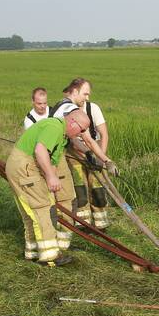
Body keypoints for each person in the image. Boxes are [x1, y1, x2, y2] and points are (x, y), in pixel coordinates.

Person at [6, 109, 92, 267]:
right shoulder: (55, 127)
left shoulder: (62, 135)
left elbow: (52, 161)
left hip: (25, 166)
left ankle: (32, 252)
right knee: (42, 208)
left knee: (33, 210)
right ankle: (49, 255)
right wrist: (51, 177)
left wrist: (51, 179)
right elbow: (40, 151)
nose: (82, 134)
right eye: (82, 129)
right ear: (72, 122)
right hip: (25, 168)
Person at [51, 77, 117, 228]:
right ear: (75, 92)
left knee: (98, 190)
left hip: (92, 154)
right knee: (78, 191)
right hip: (69, 155)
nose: (87, 98)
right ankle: (81, 226)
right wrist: (92, 155)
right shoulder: (68, 110)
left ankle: (101, 225)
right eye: (85, 94)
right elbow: (77, 139)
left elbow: (97, 136)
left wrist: (102, 159)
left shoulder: (88, 108)